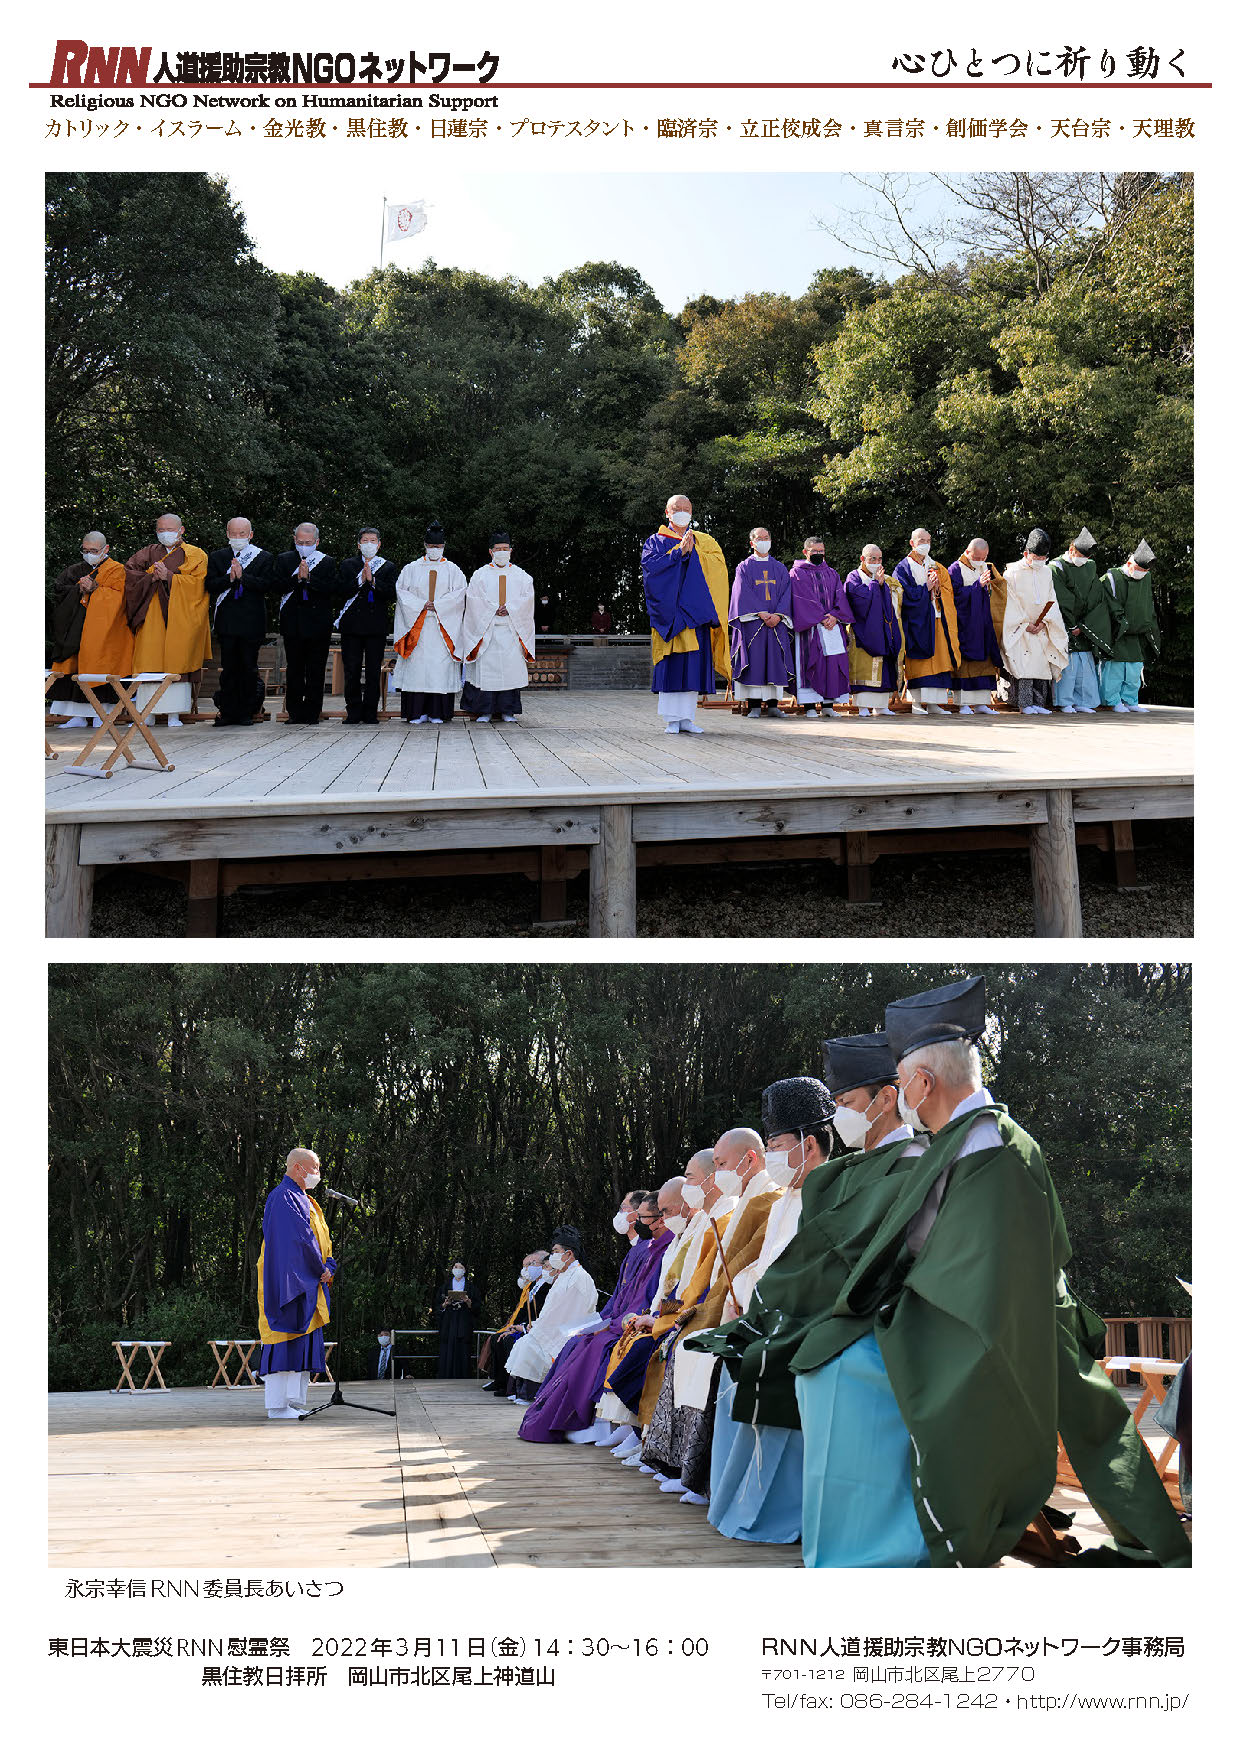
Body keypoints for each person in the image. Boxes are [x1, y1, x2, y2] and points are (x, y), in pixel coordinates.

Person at [690, 1076, 844, 1543]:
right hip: (771, 1315)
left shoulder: (832, 1191)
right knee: (728, 1363)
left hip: (807, 1322)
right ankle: (732, 1496)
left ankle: (767, 1506)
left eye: (777, 1143)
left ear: (808, 1142)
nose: (774, 1155)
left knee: (757, 1368)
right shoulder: (788, 1198)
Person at [646, 1129, 781, 1505]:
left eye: (719, 1165)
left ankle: (691, 1469)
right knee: (677, 1343)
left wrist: (677, 1315)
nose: (662, 1217)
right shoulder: (706, 1220)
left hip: (736, 1304)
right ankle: (670, 1459)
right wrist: (665, 1313)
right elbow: (690, 1282)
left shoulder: (758, 1201)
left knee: (688, 1347)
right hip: (709, 1303)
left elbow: (730, 1272)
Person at [519, 1191, 673, 1445]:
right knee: (578, 1342)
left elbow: (645, 1296)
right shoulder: (644, 1250)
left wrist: (611, 1322)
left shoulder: (658, 1249)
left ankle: (594, 1420)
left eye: (625, 1209)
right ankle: (577, 1418)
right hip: (619, 1318)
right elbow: (620, 1297)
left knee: (594, 1346)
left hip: (637, 1319)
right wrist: (602, 1321)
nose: (621, 1215)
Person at [640, 494, 730, 734]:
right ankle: (672, 719)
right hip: (671, 616)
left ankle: (688, 719)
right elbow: (651, 571)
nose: (682, 511)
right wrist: (678, 553)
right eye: (676, 508)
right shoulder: (656, 541)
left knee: (692, 667)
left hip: (696, 613)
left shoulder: (704, 541)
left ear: (692, 512)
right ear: (667, 513)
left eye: (686, 508)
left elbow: (717, 570)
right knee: (673, 666)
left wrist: (694, 554)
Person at [257, 1147, 335, 1420]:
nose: (318, 1173)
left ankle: (290, 1403)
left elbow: (320, 1240)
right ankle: (277, 1406)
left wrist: (328, 1266)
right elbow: (300, 1240)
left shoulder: (306, 1200)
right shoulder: (283, 1197)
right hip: (291, 1282)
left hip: (310, 1281)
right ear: (298, 1167)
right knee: (284, 1339)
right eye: (315, 1167)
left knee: (302, 1343)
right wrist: (319, 1268)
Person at [123, 511, 211, 725]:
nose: (165, 534)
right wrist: (150, 576)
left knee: (176, 660)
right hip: (151, 613)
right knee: (148, 659)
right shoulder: (148, 552)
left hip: (180, 617)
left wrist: (170, 578)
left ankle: (174, 713)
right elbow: (129, 573)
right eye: (160, 530)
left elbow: (200, 585)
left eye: (169, 530)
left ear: (181, 530)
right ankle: (148, 712)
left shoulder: (195, 555)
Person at [47, 531, 132, 727]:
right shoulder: (75, 570)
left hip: (104, 630)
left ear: (106, 549)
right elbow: (59, 592)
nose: (89, 554)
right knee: (73, 666)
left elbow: (120, 598)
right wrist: (78, 589)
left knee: (98, 665)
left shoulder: (116, 570)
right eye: (85, 551)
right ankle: (76, 716)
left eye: (94, 551)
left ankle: (100, 716)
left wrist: (95, 589)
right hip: (74, 628)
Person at [504, 1226, 598, 1401]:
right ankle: (528, 1394)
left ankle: (533, 1394)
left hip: (565, 1333)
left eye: (555, 1251)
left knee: (529, 1346)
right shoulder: (564, 1275)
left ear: (569, 1254)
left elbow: (569, 1313)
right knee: (524, 1344)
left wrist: (539, 1329)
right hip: (552, 1328)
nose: (552, 1255)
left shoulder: (579, 1277)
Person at [391, 521, 467, 723]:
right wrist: (421, 605)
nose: (435, 550)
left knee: (439, 670)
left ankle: (437, 713)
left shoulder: (453, 570)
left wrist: (439, 605)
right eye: (432, 547)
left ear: (444, 546)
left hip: (443, 629)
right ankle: (416, 712)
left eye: (439, 547)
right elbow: (402, 593)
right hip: (418, 628)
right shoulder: (412, 568)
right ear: (425, 545)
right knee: (417, 670)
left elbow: (460, 595)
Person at [461, 531, 536, 723]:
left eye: (505, 549)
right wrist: (493, 608)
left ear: (511, 551)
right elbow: (473, 600)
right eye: (498, 549)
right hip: (487, 629)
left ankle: (507, 711)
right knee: (487, 672)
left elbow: (527, 600)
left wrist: (510, 608)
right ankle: (484, 711)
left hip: (511, 629)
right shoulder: (480, 575)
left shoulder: (521, 576)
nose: (502, 552)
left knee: (509, 671)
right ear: (490, 551)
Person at [206, 517, 274, 726]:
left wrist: (243, 577)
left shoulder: (263, 557)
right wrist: (229, 578)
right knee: (228, 669)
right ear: (227, 534)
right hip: (227, 622)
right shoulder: (218, 557)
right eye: (233, 534)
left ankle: (247, 711)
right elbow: (210, 585)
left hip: (251, 622)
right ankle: (227, 712)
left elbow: (267, 585)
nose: (237, 538)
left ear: (250, 535)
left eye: (242, 534)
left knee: (248, 667)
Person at [274, 522, 337, 725]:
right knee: (294, 669)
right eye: (300, 542)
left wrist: (309, 579)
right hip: (293, 623)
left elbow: (331, 590)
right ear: (294, 540)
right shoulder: (284, 560)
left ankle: (312, 713)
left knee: (316, 670)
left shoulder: (327, 562)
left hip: (318, 624)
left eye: (308, 542)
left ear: (316, 542)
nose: (304, 546)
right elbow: (277, 586)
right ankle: (294, 712)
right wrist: (297, 579)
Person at [336, 526, 398, 725]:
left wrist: (373, 582)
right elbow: (340, 591)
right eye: (365, 540)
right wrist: (360, 581)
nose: (369, 544)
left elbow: (391, 593)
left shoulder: (388, 567)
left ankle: (371, 712)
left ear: (379, 545)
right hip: (351, 627)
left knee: (373, 671)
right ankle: (353, 711)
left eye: (373, 541)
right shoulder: (347, 565)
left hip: (375, 627)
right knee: (352, 670)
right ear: (358, 544)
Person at [1003, 528, 1069, 715]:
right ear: (1026, 553)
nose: (1041, 561)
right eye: (1037, 556)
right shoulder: (1012, 572)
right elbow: (1010, 600)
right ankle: (1024, 704)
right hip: (1021, 626)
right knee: (1024, 665)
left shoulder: (1047, 572)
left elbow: (1051, 598)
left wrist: (1045, 621)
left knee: (1041, 664)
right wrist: (1024, 623)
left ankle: (1039, 704)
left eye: (1044, 557)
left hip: (1041, 626)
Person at [893, 528, 959, 715]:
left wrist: (937, 587)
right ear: (912, 543)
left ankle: (934, 704)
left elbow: (947, 591)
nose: (926, 544)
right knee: (919, 662)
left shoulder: (936, 566)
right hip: (917, 621)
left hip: (936, 618)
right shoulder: (902, 567)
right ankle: (916, 703)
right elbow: (902, 596)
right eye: (921, 540)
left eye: (928, 540)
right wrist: (926, 588)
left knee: (940, 660)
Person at [729, 528, 793, 717]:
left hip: (776, 623)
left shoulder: (780, 568)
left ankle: (773, 705)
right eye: (759, 538)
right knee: (755, 661)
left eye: (766, 538)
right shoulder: (744, 567)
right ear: (752, 543)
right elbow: (742, 593)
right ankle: (754, 706)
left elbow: (786, 593)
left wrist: (779, 615)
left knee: (775, 661)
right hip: (754, 623)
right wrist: (762, 613)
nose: (763, 541)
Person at [787, 537, 853, 715]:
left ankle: (828, 706)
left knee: (832, 665)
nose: (818, 554)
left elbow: (840, 596)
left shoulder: (832, 573)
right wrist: (820, 617)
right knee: (811, 663)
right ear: (805, 552)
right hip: (810, 628)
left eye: (821, 551)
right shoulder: (797, 573)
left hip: (832, 626)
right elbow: (801, 599)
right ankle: (809, 706)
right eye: (814, 551)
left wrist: (835, 615)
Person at [1050, 529, 1111, 714]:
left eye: (1086, 556)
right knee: (1068, 664)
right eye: (1080, 554)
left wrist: (1086, 624)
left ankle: (1084, 701)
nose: (1083, 558)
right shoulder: (1056, 566)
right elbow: (1062, 598)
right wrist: (1072, 624)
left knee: (1085, 664)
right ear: (1071, 548)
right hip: (1065, 622)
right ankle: (1064, 701)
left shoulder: (1090, 566)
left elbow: (1096, 594)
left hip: (1085, 622)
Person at [1100, 539, 1161, 714]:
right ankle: (1112, 701)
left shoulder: (1146, 577)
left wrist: (1147, 625)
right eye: (1141, 570)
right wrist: (1122, 623)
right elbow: (1108, 603)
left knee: (1134, 670)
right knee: (1115, 671)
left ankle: (1131, 700)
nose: (1143, 573)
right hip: (1117, 633)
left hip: (1137, 632)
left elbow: (1147, 603)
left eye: (1146, 571)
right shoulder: (1111, 577)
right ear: (1130, 563)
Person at [843, 545, 903, 716]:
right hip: (863, 631)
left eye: (879, 559)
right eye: (872, 559)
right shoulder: (854, 576)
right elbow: (859, 601)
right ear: (863, 559)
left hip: (881, 631)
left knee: (883, 668)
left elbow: (888, 604)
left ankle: (881, 706)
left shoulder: (883, 578)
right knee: (864, 667)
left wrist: (882, 585)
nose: (877, 562)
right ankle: (863, 707)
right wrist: (877, 585)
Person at [947, 538, 1003, 714]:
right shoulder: (955, 568)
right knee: (966, 662)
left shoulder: (984, 567)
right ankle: (963, 703)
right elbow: (954, 596)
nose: (980, 561)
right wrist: (977, 585)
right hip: (965, 622)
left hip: (983, 621)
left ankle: (981, 703)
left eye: (984, 557)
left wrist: (986, 586)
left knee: (985, 659)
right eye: (977, 557)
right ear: (968, 552)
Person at [486, 1251, 551, 1395]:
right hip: (526, 1324)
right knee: (497, 1338)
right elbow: (524, 1310)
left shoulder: (549, 1285)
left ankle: (513, 1386)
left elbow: (541, 1312)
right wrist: (513, 1326)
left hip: (537, 1327)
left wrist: (520, 1327)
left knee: (509, 1340)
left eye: (532, 1264)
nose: (528, 1268)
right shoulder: (534, 1285)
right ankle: (500, 1380)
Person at [436, 1259, 479, 1377]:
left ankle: (463, 1377)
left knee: (463, 1351)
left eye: (460, 1267)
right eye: (455, 1266)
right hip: (449, 1323)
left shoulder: (471, 1287)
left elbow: (477, 1307)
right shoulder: (445, 1287)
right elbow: (437, 1306)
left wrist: (469, 1302)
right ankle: (445, 1377)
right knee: (447, 1351)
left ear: (464, 1270)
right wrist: (445, 1304)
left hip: (464, 1322)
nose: (457, 1269)